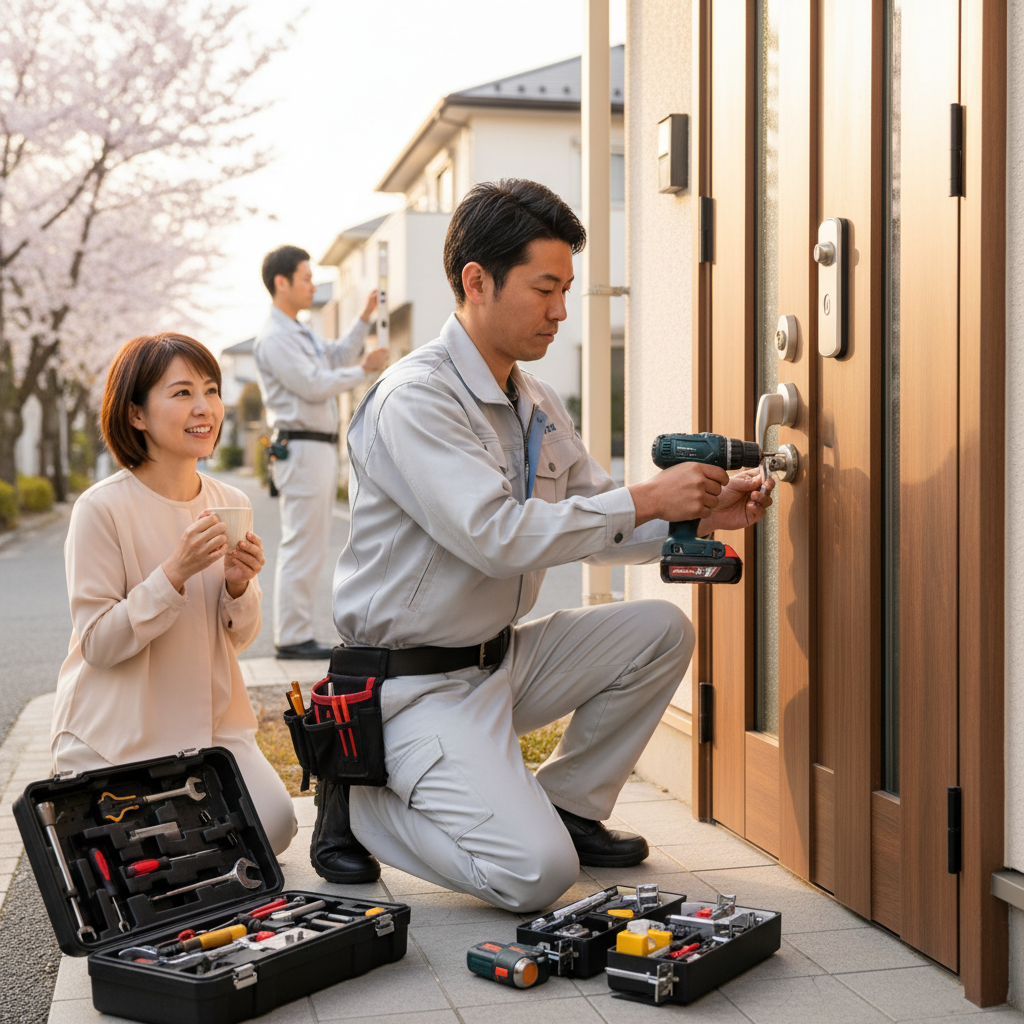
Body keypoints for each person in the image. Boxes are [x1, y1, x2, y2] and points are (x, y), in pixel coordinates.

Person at [318, 179, 773, 905]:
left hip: (498, 662)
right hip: (412, 686)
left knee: (658, 629)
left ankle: (569, 808)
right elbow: (495, 539)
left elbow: (598, 518)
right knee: (536, 875)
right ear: (476, 281)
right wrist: (648, 495)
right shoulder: (417, 400)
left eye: (566, 288)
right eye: (545, 288)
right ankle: (362, 800)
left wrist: (699, 515)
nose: (562, 310)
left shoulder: (533, 402)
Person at [50, 333, 297, 855]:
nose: (204, 407)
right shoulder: (102, 509)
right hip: (120, 728)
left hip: (209, 726)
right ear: (136, 414)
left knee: (275, 826)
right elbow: (99, 644)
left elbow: (241, 637)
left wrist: (238, 585)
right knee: (155, 848)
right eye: (182, 393)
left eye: (211, 389)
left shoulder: (230, 501)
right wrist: (174, 573)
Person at [253, 246, 389, 660]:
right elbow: (314, 383)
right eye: (306, 278)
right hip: (302, 445)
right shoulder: (275, 337)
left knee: (310, 545)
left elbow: (334, 357)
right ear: (282, 282)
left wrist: (364, 318)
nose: (313, 285)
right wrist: (364, 370)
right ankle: (291, 638)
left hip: (315, 447)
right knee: (301, 545)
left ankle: (295, 634)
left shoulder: (298, 329)